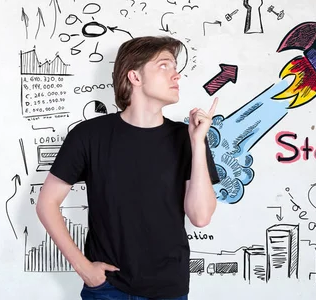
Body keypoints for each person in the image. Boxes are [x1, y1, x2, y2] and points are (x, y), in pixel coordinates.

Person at [36, 36, 220, 299]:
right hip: (108, 288)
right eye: (164, 66)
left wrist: (198, 142)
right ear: (135, 76)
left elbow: (200, 217)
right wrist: (84, 268)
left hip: (168, 289)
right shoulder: (89, 135)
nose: (177, 75)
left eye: (175, 67)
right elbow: (46, 203)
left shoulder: (186, 138)